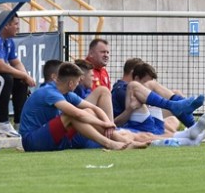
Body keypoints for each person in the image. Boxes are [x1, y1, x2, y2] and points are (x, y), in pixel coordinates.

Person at [19, 61, 148, 152]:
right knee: (72, 115)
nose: (78, 85)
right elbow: (77, 114)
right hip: (31, 141)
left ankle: (122, 141)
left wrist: (108, 123)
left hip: (52, 138)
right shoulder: (49, 92)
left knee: (87, 111)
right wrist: (103, 124)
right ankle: (109, 143)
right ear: (70, 83)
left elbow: (95, 109)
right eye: (77, 82)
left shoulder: (66, 93)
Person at [116, 62, 204, 134]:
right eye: (145, 82)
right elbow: (118, 120)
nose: (146, 89)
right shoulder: (122, 89)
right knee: (149, 85)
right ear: (135, 77)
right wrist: (131, 108)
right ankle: (187, 122)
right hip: (136, 124)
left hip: (150, 121)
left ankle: (194, 128)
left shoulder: (129, 88)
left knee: (176, 97)